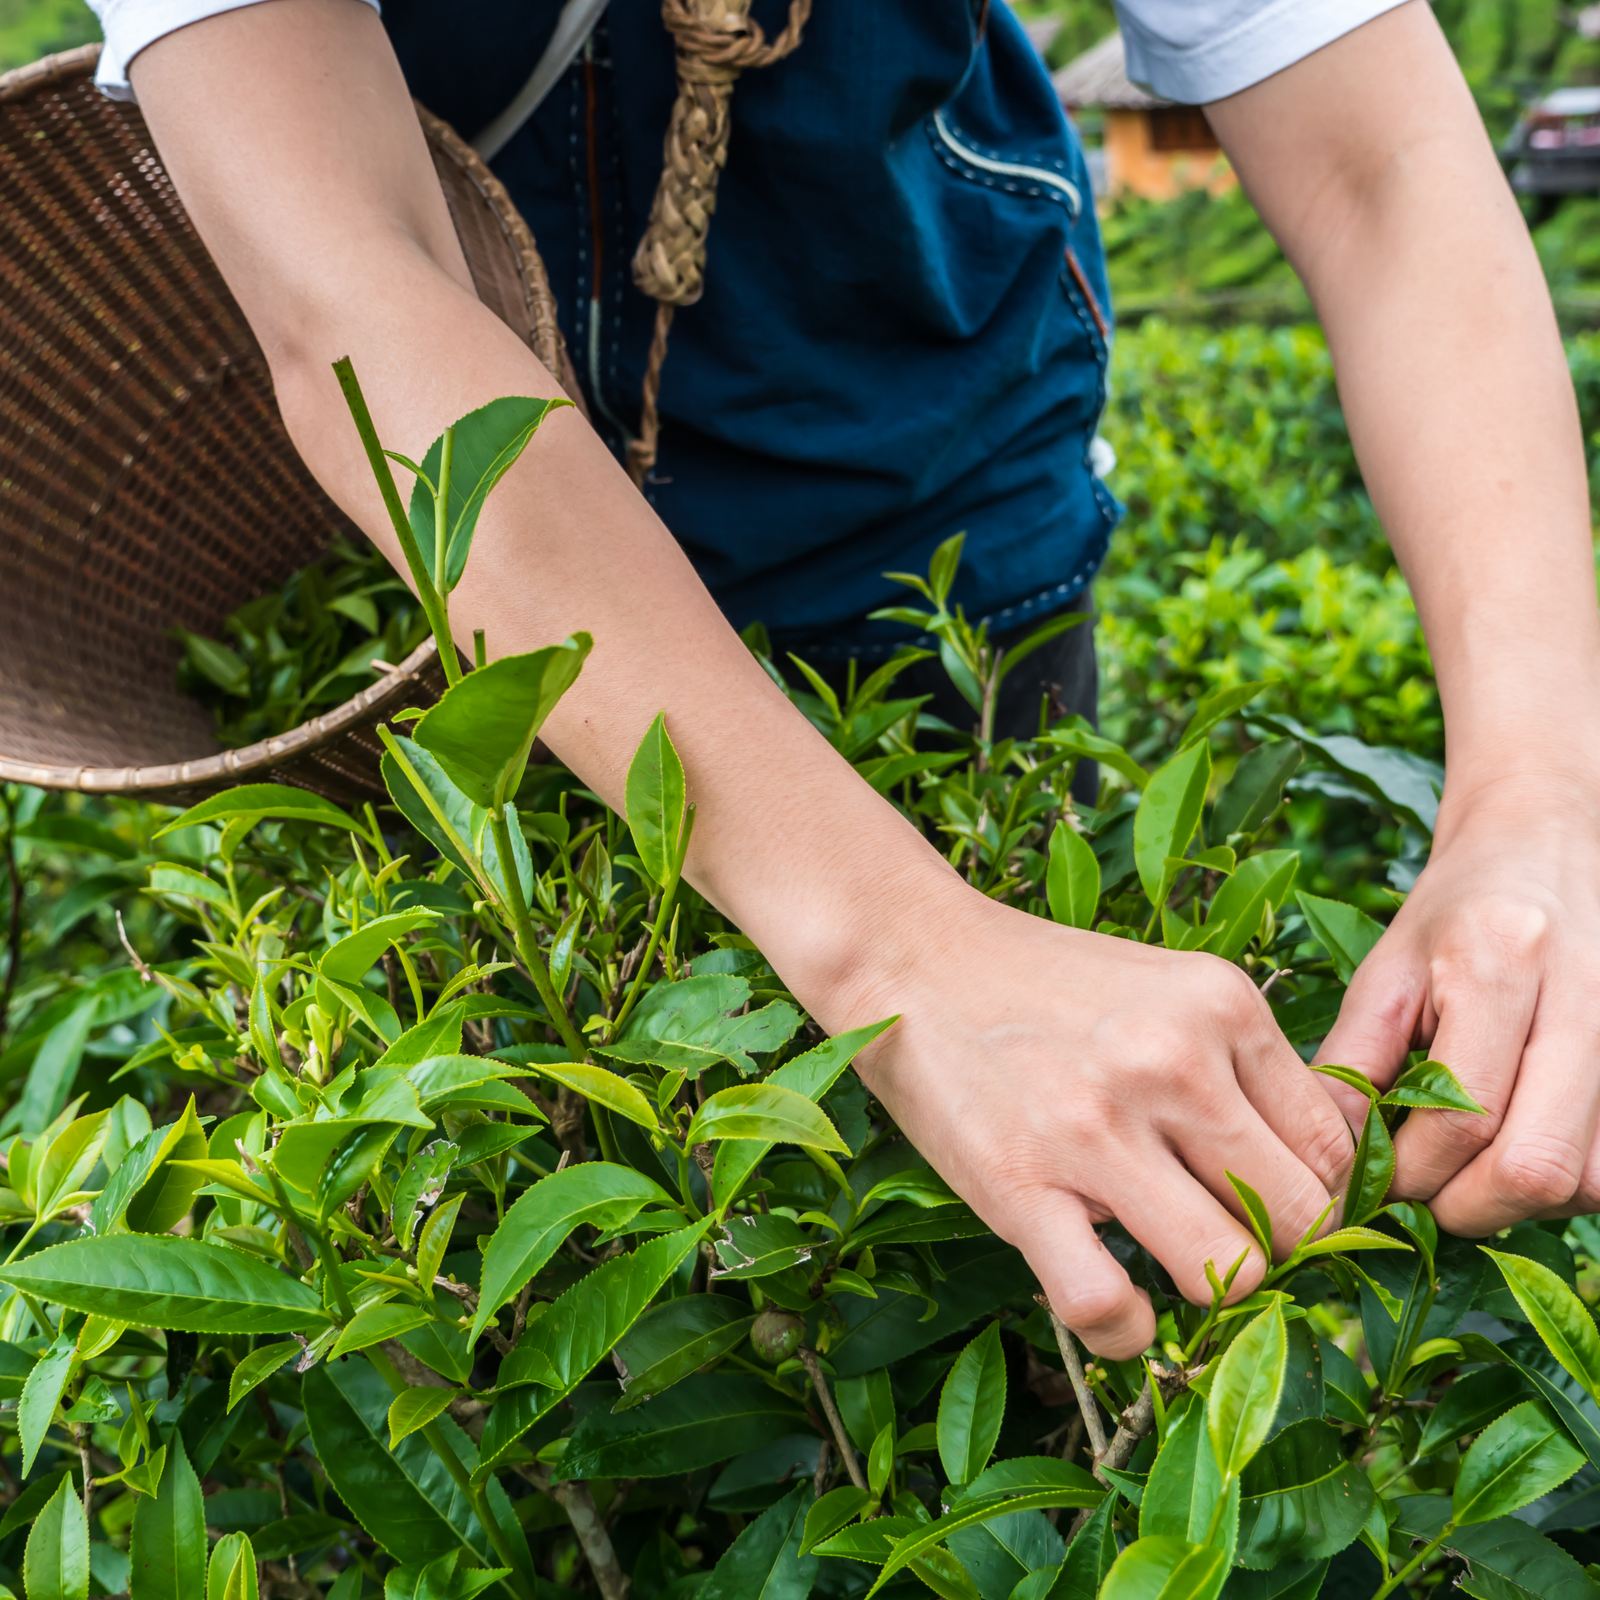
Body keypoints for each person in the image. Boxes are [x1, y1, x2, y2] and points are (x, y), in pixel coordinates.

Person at [89, 0, 1600, 1361]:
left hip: (924, 500)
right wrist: (907, 956)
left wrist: (1540, 794)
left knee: (994, 1260)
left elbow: (1377, 167)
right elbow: (356, 289)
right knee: (483, 1268)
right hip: (419, 597)